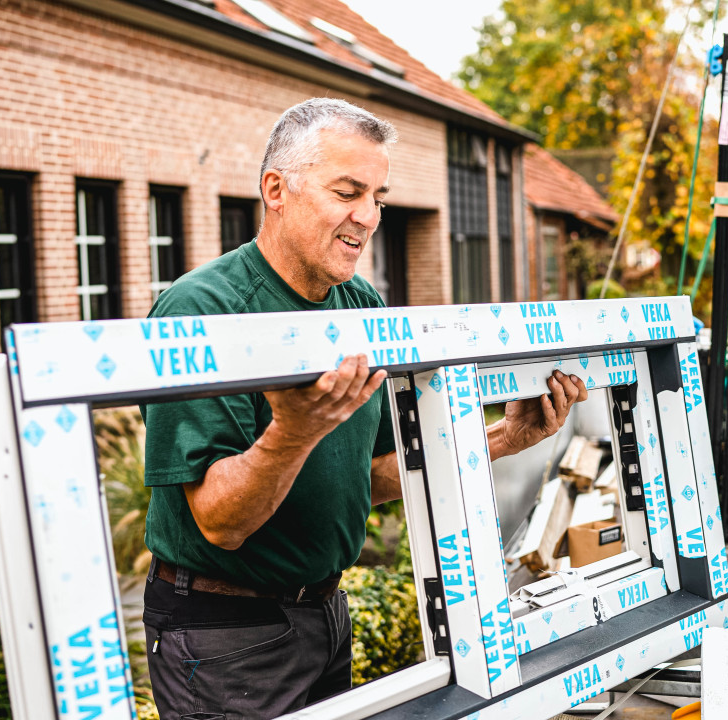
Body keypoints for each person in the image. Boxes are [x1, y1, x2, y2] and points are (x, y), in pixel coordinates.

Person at [140, 98, 588, 720]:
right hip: (226, 636)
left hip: (323, 614)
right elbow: (220, 522)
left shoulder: (360, 304)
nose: (368, 217)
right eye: (347, 191)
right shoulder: (203, 312)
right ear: (276, 189)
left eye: (377, 196)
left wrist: (503, 439)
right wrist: (293, 434)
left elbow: (378, 473)